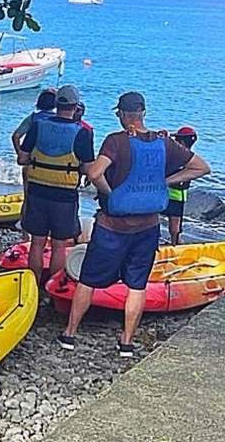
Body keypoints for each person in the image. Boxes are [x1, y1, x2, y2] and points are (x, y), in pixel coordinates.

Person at [58, 93, 210, 357]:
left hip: (112, 226)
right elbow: (201, 167)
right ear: (143, 113)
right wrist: (166, 182)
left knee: (88, 280)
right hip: (148, 227)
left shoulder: (116, 142)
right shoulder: (165, 143)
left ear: (122, 114)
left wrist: (109, 193)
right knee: (137, 285)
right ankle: (126, 342)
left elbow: (94, 173)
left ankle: (70, 334)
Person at [17, 84, 95, 284]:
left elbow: (23, 158)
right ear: (76, 106)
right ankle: (53, 287)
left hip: (37, 191)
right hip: (64, 195)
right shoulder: (82, 133)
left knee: (37, 242)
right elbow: (88, 169)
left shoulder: (38, 125)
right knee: (59, 245)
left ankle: (33, 286)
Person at [165, 126, 198, 245]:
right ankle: (175, 244)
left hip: (170, 194)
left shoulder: (176, 156)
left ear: (182, 142)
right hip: (178, 196)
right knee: (175, 226)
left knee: (173, 227)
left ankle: (174, 244)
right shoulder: (192, 158)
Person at [11, 88, 57, 165]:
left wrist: (20, 153)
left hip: (33, 159)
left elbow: (15, 136)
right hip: (53, 160)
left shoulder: (32, 118)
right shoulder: (58, 119)